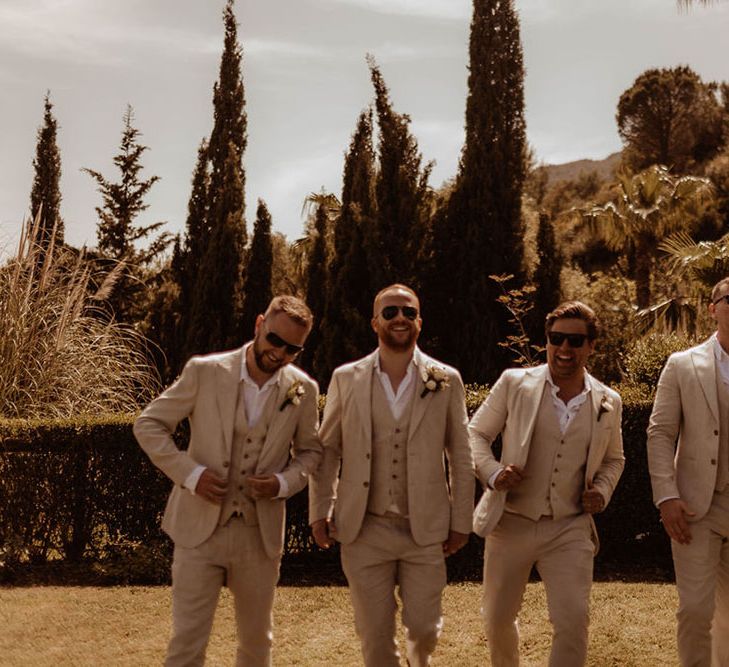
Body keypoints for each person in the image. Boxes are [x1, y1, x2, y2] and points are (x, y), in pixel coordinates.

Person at [133, 295, 322, 667]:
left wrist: (283, 483)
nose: (279, 353)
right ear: (258, 325)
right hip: (198, 532)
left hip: (259, 534)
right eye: (274, 340)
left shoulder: (303, 389)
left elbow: (311, 453)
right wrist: (191, 474)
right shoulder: (205, 371)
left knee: (256, 643)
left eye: (292, 349)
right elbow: (149, 424)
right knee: (187, 642)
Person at [309, 284, 474, 667]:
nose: (400, 318)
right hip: (363, 527)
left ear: (420, 321)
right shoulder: (345, 378)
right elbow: (327, 447)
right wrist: (321, 509)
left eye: (408, 312)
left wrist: (461, 519)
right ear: (374, 322)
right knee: (375, 635)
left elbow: (461, 453)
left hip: (425, 528)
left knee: (424, 630)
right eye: (390, 312)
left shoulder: (445, 378)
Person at [470, 301, 624, 667]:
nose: (564, 349)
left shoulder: (608, 401)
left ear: (591, 346)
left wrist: (601, 490)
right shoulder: (514, 384)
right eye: (557, 339)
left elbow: (615, 459)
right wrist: (493, 472)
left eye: (575, 341)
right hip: (510, 522)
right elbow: (473, 434)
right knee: (497, 619)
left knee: (573, 621)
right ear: (547, 341)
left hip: (569, 527)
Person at [647, 277, 729, 667]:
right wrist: (666, 496)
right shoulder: (683, 364)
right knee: (696, 611)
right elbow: (660, 433)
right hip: (698, 507)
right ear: (712, 308)